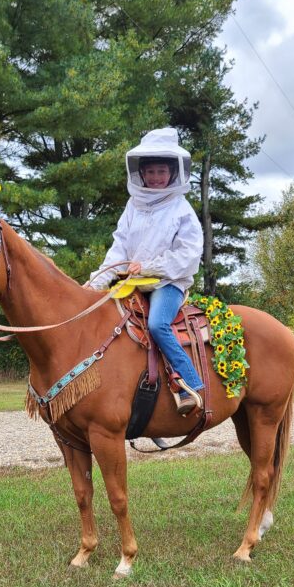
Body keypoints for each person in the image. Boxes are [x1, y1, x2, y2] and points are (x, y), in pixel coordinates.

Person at [88, 128, 204, 415]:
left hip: (168, 282)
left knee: (156, 325)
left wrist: (151, 266)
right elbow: (120, 248)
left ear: (173, 172)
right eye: (150, 171)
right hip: (134, 283)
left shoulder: (181, 208)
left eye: (161, 171)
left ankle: (190, 383)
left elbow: (189, 255)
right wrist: (93, 284)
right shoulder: (133, 206)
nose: (155, 177)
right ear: (140, 173)